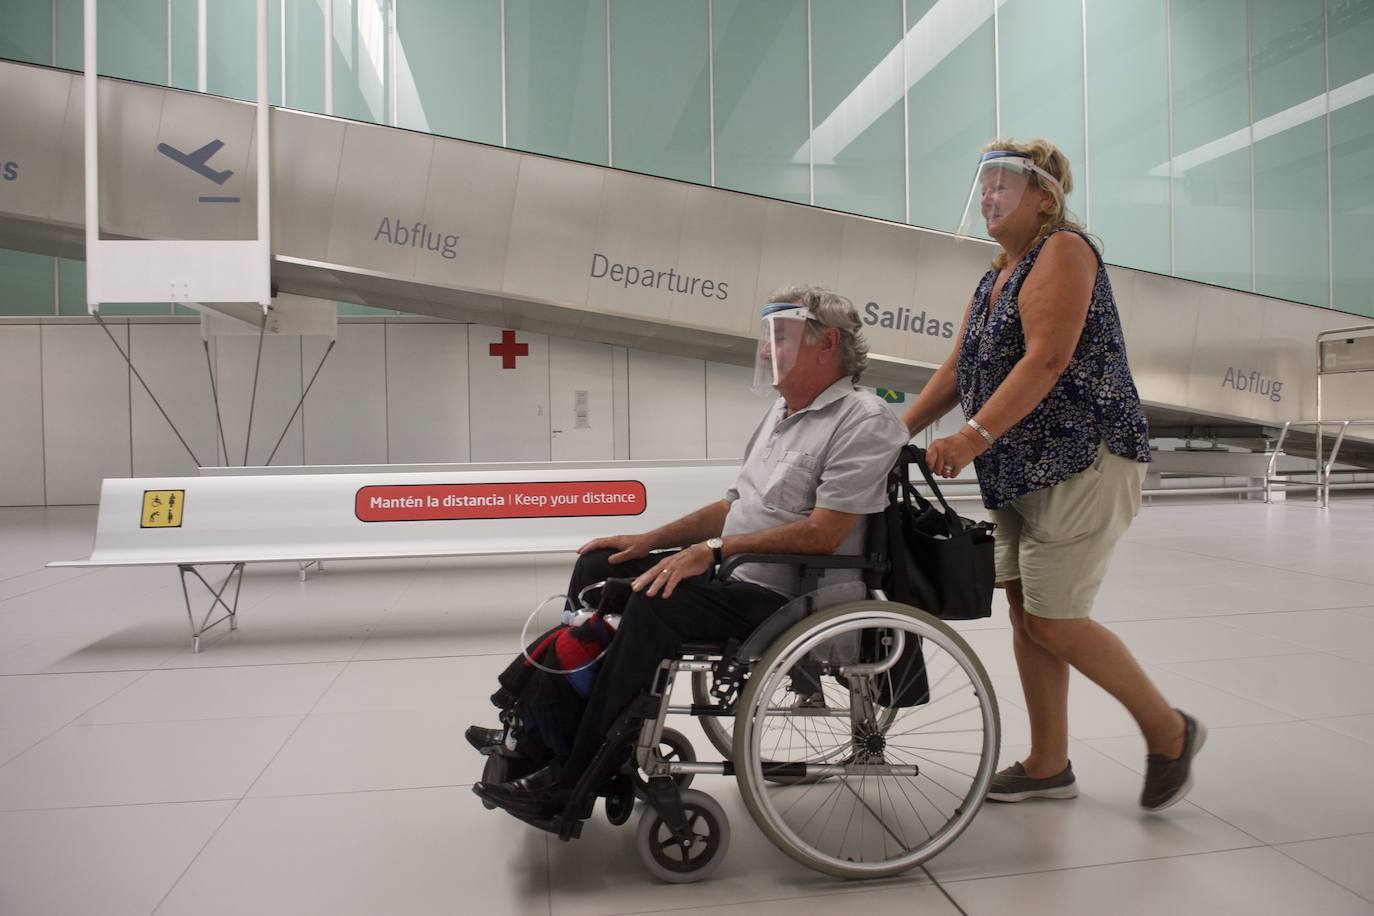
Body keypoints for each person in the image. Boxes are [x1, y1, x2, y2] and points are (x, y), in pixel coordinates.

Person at [472, 286, 911, 820]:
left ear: (827, 344)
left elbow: (823, 534)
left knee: (658, 601)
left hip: (789, 597)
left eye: (782, 338)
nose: (768, 351)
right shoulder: (781, 413)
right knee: (601, 565)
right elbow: (734, 505)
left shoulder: (863, 420)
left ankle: (571, 780)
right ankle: (550, 727)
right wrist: (650, 540)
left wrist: (712, 550)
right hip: (735, 570)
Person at [901, 138, 1204, 812]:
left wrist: (973, 436)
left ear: (1044, 195)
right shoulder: (994, 276)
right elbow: (958, 371)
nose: (987, 195)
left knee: (1058, 620)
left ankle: (1170, 731)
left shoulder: (1065, 250)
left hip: (1082, 458)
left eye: (1003, 183)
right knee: (1026, 614)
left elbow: (1047, 359)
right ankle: (1047, 764)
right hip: (1019, 471)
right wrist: (892, 432)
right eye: (983, 184)